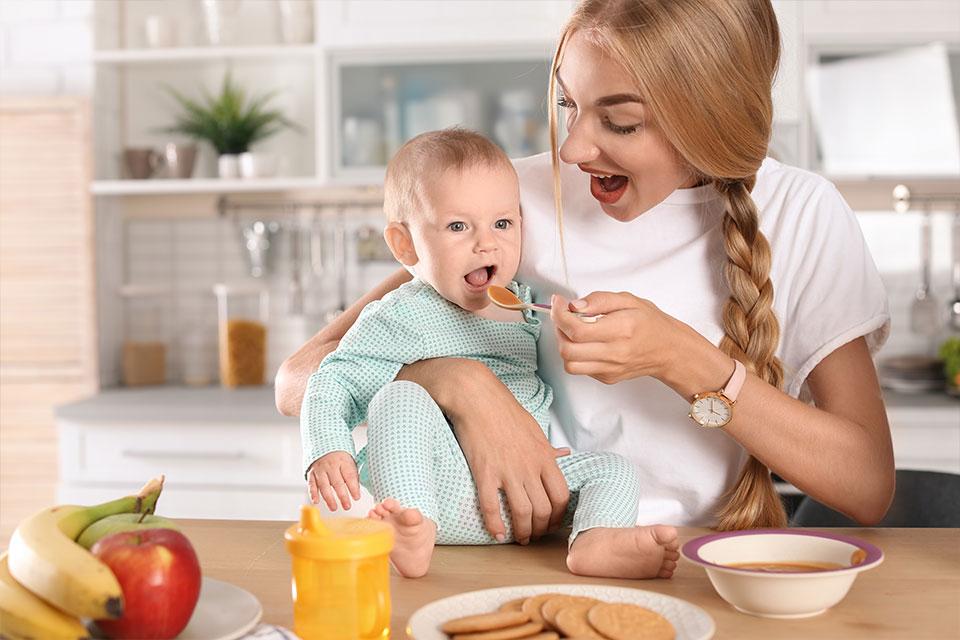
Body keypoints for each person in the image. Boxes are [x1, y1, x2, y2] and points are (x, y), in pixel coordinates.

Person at [278, 0, 894, 543]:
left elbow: (867, 486)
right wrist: (461, 384)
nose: (573, 149)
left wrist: (684, 360)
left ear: (712, 115)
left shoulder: (802, 214)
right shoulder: (507, 203)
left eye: (619, 122)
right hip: (522, 557)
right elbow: (300, 380)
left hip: (701, 565)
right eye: (569, 104)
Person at [301, 128, 678, 579]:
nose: (486, 243)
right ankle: (410, 528)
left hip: (531, 496)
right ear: (406, 245)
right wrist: (327, 449)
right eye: (458, 227)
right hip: (444, 494)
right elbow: (333, 379)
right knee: (395, 398)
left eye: (503, 224)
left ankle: (596, 541)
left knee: (613, 469)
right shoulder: (403, 315)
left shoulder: (523, 305)